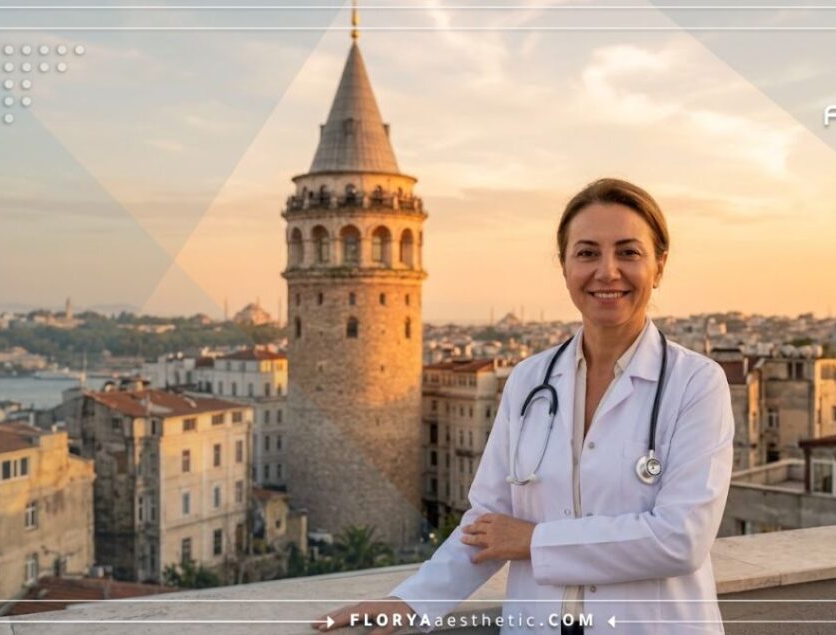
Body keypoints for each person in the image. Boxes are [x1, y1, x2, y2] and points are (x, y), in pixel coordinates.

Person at [314, 178, 734, 634]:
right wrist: (413, 601)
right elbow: (487, 521)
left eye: (629, 252)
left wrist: (534, 541)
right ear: (565, 266)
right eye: (587, 252)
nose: (607, 271)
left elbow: (681, 539)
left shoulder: (696, 383)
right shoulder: (531, 381)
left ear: (659, 266)